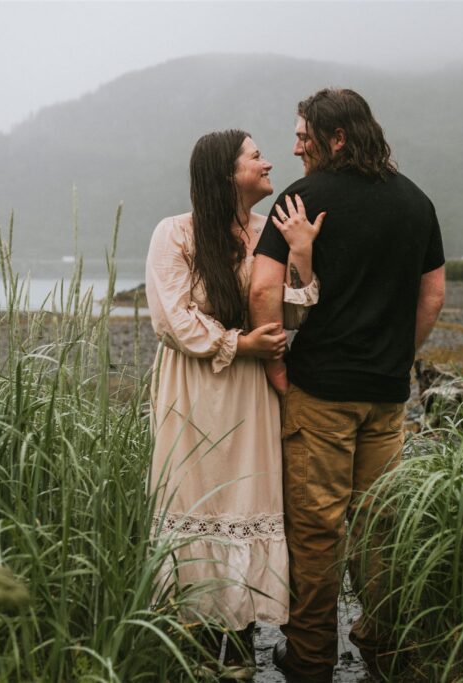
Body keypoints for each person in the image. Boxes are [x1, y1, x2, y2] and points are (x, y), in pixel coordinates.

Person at [250, 89, 446, 682]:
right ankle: (382, 646)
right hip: (386, 396)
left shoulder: (301, 199)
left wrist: (276, 365)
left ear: (337, 138)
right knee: (379, 524)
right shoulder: (417, 201)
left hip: (321, 393)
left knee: (316, 529)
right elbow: (432, 294)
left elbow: (263, 290)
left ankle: (310, 657)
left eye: (304, 134)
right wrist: (397, 357)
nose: (294, 146)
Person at [144, 129, 322, 677]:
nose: (269, 162)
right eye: (255, 156)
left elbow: (293, 313)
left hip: (249, 397)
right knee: (196, 501)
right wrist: (238, 343)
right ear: (227, 173)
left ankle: (240, 651)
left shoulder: (269, 232)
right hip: (195, 390)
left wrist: (303, 255)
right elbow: (171, 318)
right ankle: (194, 654)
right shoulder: (175, 233)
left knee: (245, 502)